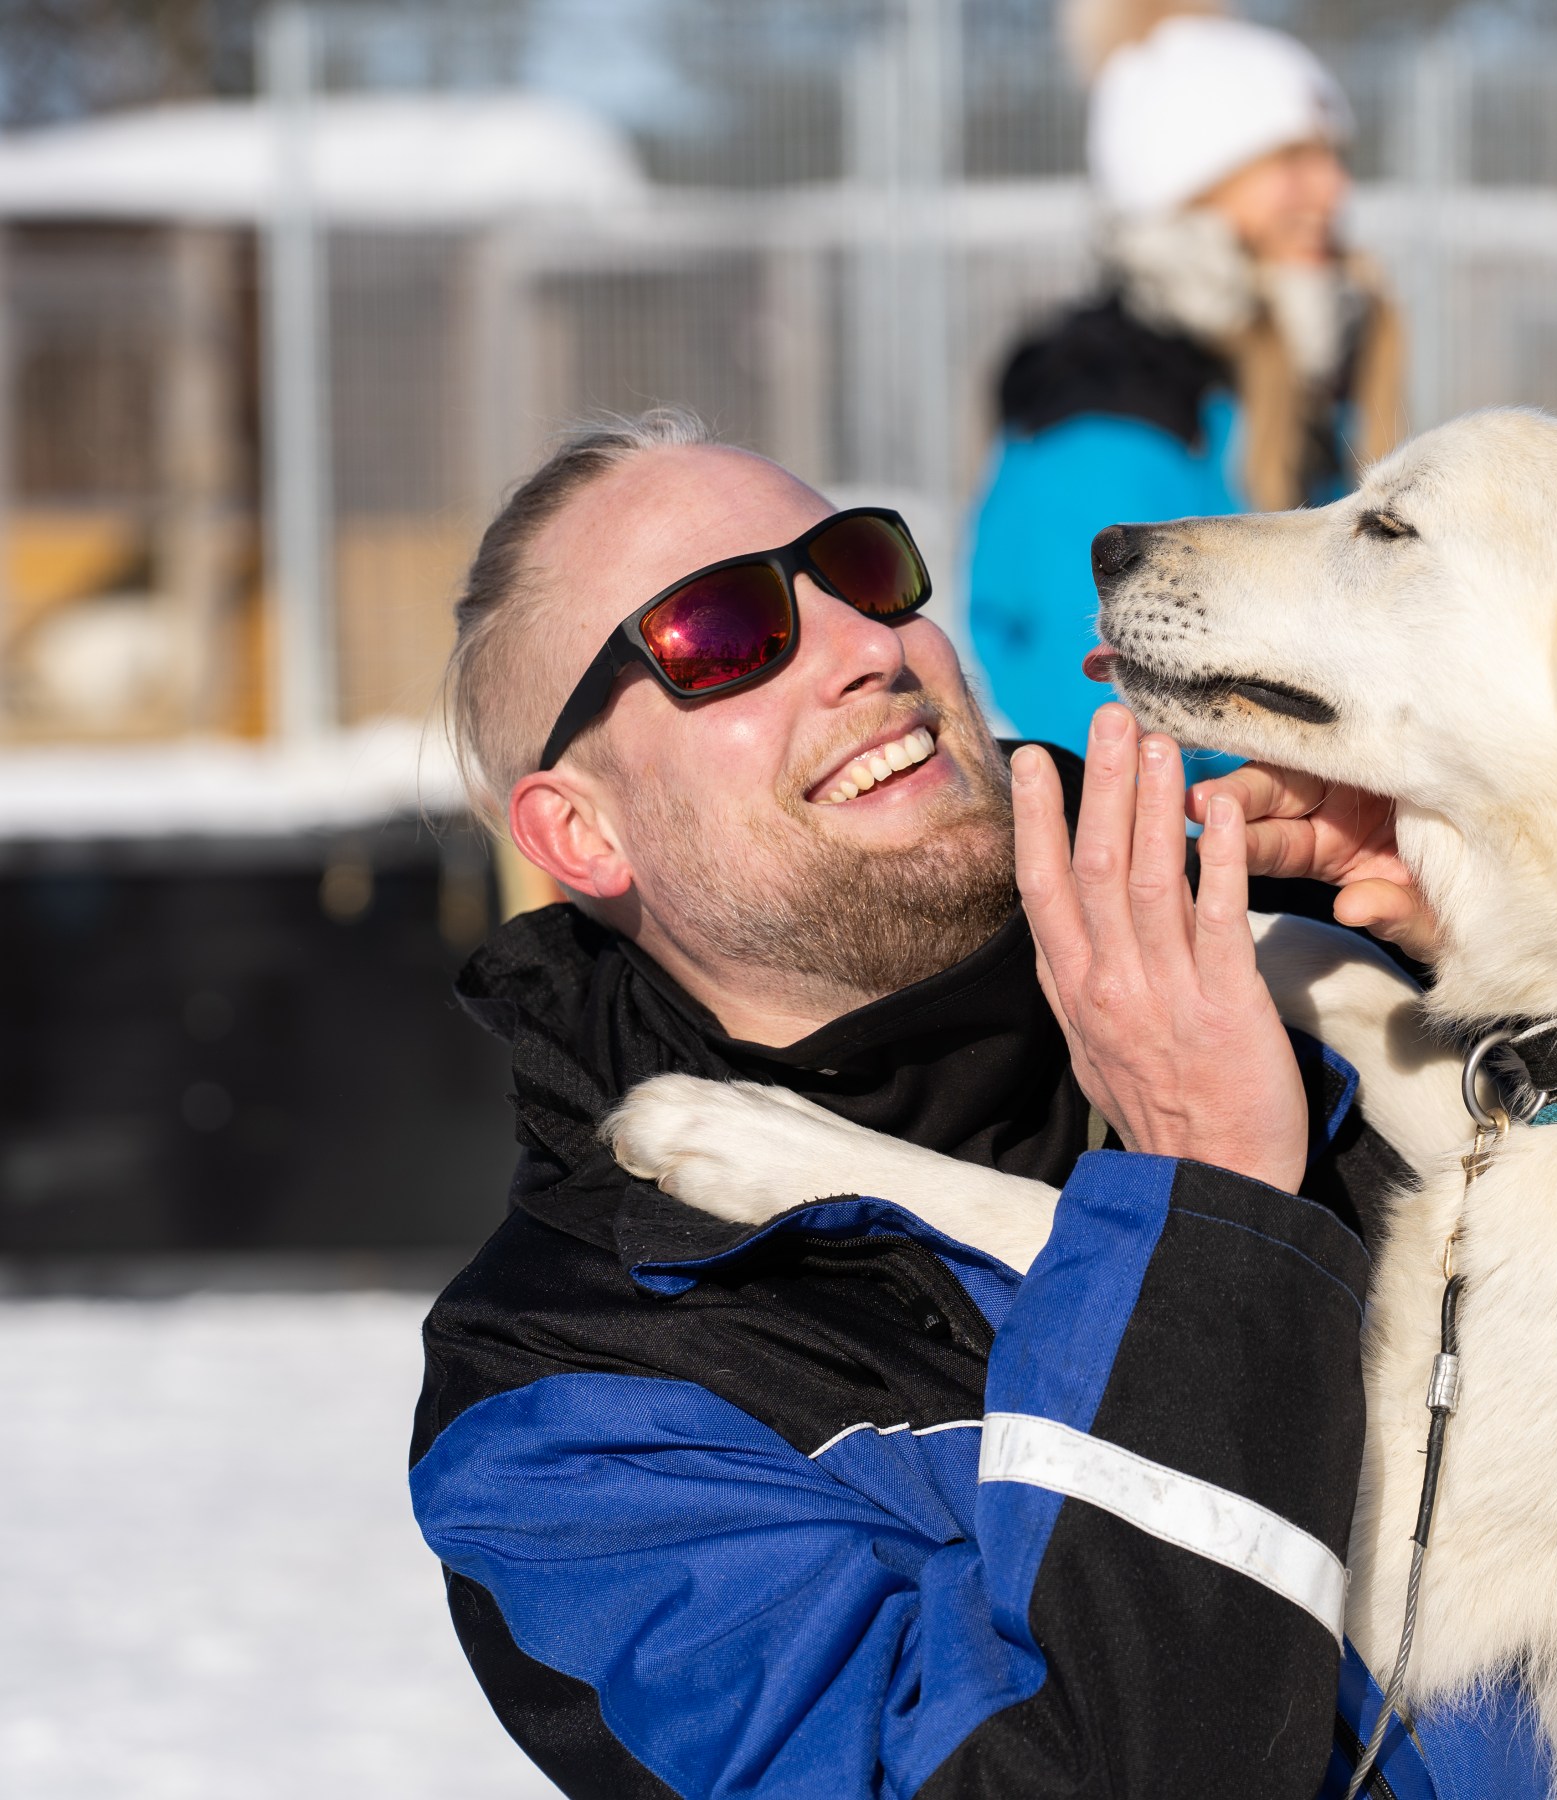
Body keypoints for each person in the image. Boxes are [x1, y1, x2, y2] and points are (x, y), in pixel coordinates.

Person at [407, 410, 1446, 1800]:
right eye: (724, 633)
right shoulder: (577, 1400)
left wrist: (1554, 974)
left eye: (864, 566)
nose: (866, 647)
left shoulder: (1347, 929)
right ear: (579, 833)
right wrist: (1211, 1218)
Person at [966, 0, 1406, 763]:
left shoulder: (1288, 396)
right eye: (1292, 160)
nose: (1333, 190)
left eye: (1333, 158)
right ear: (1189, 186)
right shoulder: (1109, 419)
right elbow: (1114, 731)